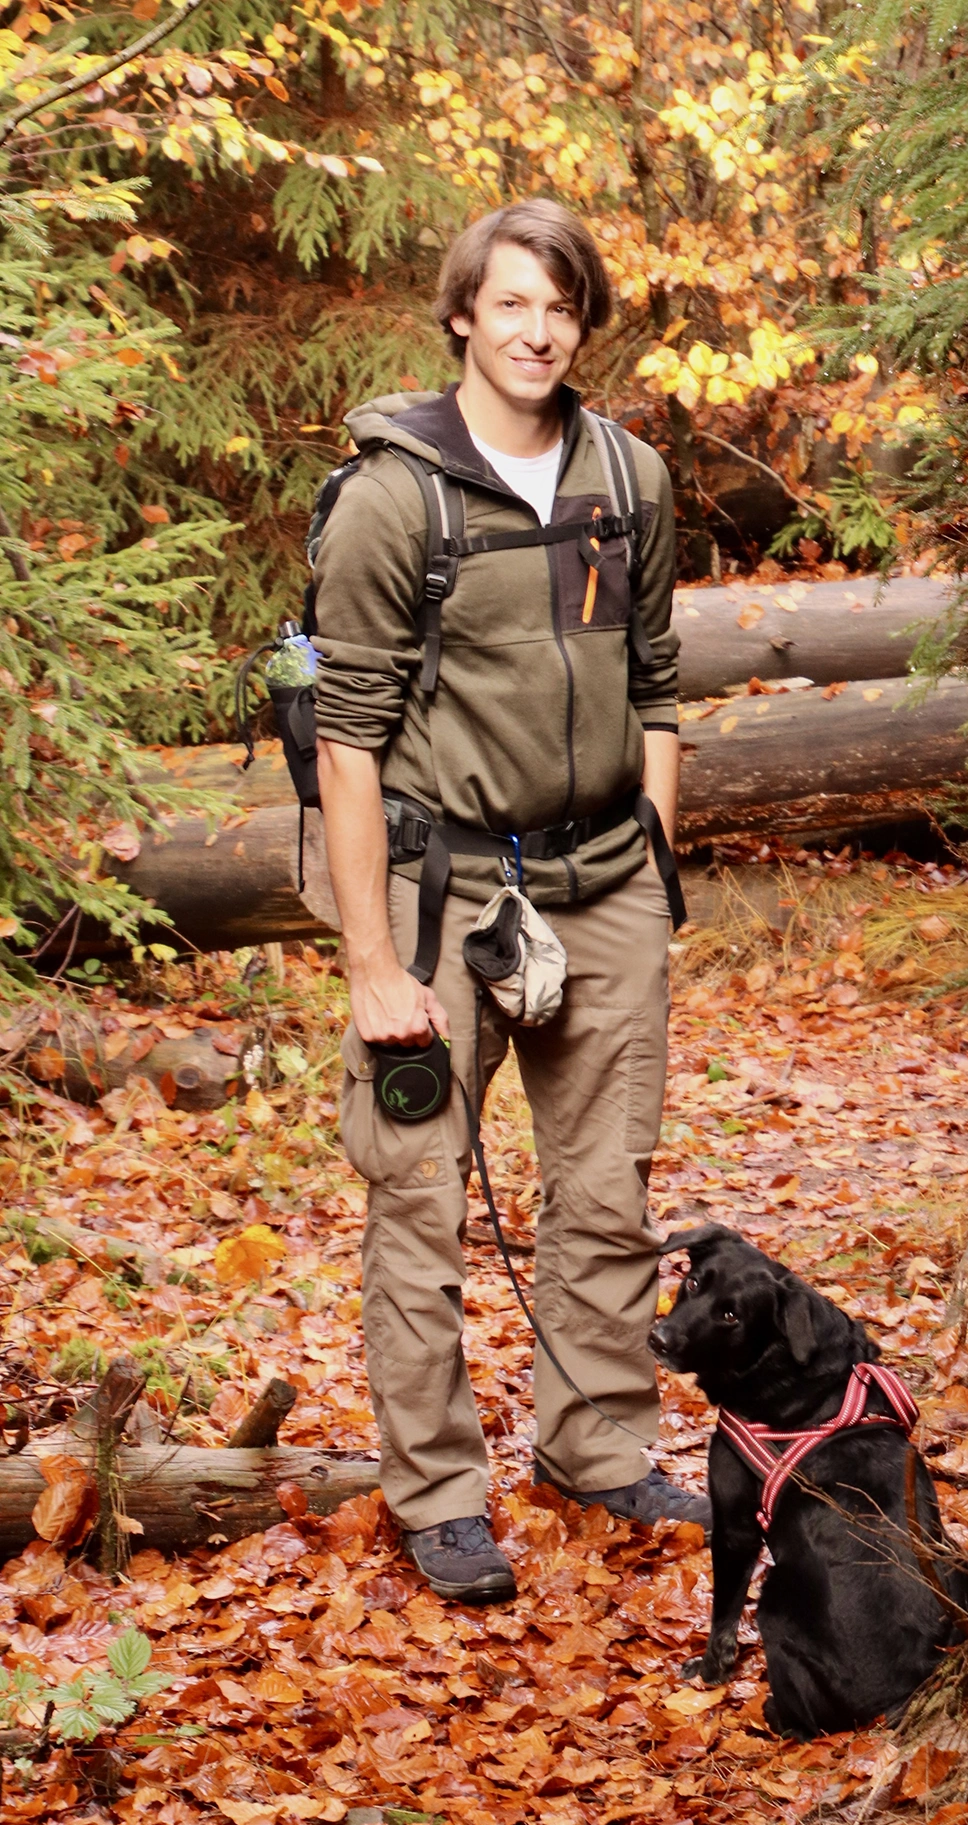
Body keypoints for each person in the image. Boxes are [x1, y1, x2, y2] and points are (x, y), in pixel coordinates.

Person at [312, 199, 708, 1605]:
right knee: (419, 1198)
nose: (538, 331)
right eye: (513, 303)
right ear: (463, 316)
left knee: (607, 1191)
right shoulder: (392, 498)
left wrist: (649, 863)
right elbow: (346, 743)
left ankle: (595, 1451)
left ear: (581, 323)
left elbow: (657, 684)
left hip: (604, 886)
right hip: (441, 894)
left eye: (562, 306)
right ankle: (437, 1494)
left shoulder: (631, 478)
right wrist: (373, 964)